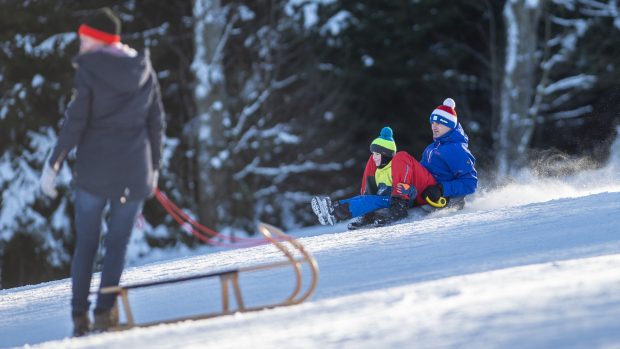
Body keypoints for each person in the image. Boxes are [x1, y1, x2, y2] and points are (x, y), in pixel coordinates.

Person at [39, 7, 166, 336]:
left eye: (84, 38)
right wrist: (154, 168)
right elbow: (156, 123)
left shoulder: (89, 70)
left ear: (97, 39)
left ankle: (80, 316)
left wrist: (54, 163)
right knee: (117, 245)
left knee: (87, 244)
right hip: (134, 171)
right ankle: (104, 314)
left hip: (94, 173)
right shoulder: (143, 67)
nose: (80, 44)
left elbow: (75, 122)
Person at [311, 98, 477, 228]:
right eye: (432, 122)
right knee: (375, 157)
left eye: (439, 122)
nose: (434, 126)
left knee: (401, 156)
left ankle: (398, 205)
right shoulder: (433, 147)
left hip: (433, 193)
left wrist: (442, 189)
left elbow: (470, 183)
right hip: (416, 190)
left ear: (450, 125)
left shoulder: (457, 149)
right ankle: (339, 211)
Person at [311, 126, 436, 229]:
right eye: (374, 154)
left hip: (399, 202)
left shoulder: (398, 164)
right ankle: (338, 212)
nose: (374, 157)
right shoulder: (379, 171)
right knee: (365, 199)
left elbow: (411, 189)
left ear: (386, 154)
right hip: (386, 200)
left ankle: (334, 212)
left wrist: (406, 192)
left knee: (369, 201)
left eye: (377, 154)